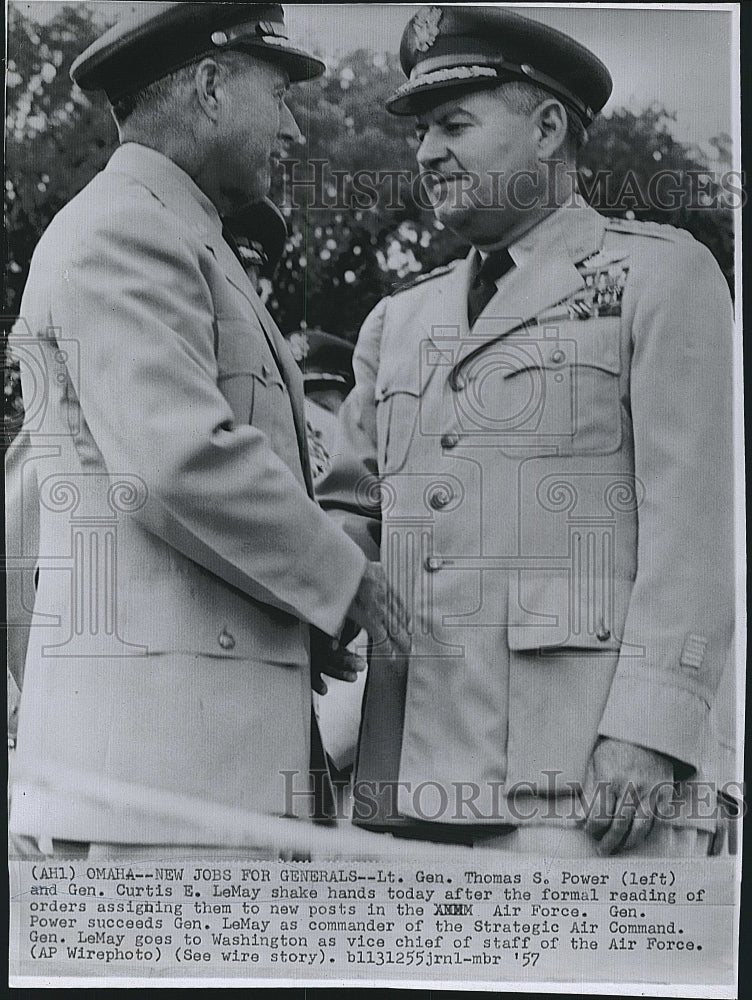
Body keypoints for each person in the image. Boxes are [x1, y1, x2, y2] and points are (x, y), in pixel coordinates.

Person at [318, 5, 735, 855]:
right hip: (412, 789)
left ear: (548, 127)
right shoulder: (395, 322)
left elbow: (692, 532)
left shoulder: (660, 277)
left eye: (454, 124)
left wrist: (651, 730)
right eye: (421, 132)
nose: (428, 153)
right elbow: (347, 519)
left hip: (586, 783)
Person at [7, 2, 408, 859]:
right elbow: (178, 462)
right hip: (157, 789)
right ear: (214, 87)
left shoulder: (181, 234)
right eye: (283, 96)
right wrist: (347, 582)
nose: (295, 130)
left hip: (193, 777)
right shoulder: (127, 229)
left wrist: (304, 618)